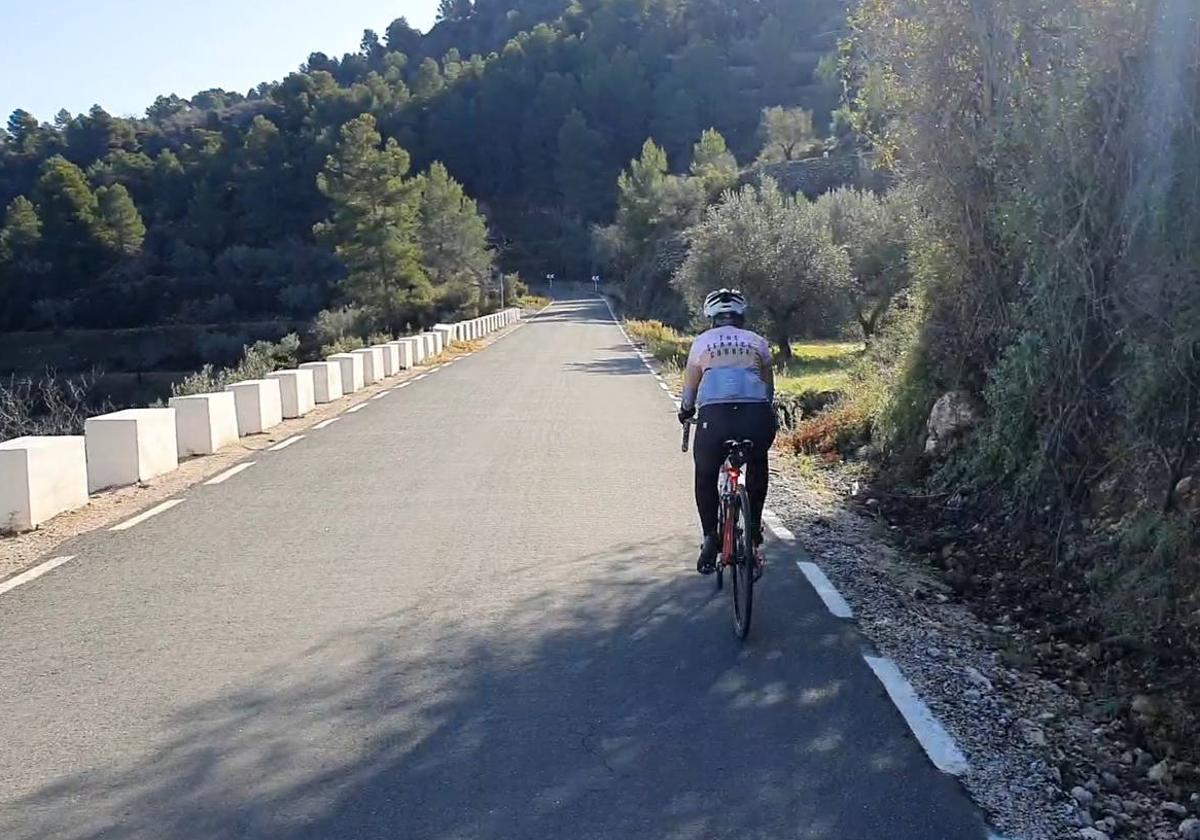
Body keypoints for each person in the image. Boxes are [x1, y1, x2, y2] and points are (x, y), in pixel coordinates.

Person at [677, 289, 777, 574]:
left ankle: (710, 537)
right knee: (757, 461)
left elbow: (690, 391)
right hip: (755, 415)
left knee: (706, 472)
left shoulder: (701, 343)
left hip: (715, 418)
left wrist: (686, 411)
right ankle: (754, 526)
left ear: (711, 318)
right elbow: (768, 391)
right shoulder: (758, 342)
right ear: (741, 317)